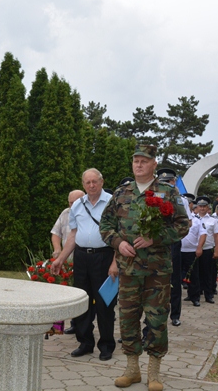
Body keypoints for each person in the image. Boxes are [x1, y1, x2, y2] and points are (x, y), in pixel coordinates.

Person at [99, 145, 189, 391]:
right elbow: (105, 224)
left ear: (153, 164)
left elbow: (183, 225)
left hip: (156, 270)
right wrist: (118, 243)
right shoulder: (121, 193)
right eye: (135, 161)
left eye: (143, 161)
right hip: (128, 269)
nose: (138, 165)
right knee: (128, 317)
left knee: (157, 318)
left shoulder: (167, 192)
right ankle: (132, 369)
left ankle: (154, 372)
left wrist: (155, 238)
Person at [51, 168, 118, 361]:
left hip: (105, 258)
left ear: (102, 181)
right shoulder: (78, 205)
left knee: (106, 303)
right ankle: (85, 342)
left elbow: (121, 235)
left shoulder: (113, 203)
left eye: (94, 181)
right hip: (81, 258)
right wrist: (61, 258)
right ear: (83, 185)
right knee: (82, 301)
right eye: (87, 182)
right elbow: (73, 235)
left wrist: (116, 263)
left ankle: (106, 345)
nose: (91, 185)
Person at [157, 169, 191, 328]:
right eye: (161, 182)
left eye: (168, 182)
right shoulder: (150, 196)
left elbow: (187, 223)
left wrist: (170, 234)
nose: (164, 185)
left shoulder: (180, 199)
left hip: (172, 242)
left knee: (174, 279)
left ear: (173, 182)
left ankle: (175, 314)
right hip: (154, 242)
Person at [50, 189, 85, 335]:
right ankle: (69, 324)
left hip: (82, 258)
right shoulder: (65, 213)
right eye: (69, 202)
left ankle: (81, 324)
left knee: (80, 293)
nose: (71, 206)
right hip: (65, 259)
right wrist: (57, 249)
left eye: (74, 202)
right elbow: (55, 233)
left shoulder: (87, 213)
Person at [195, 196, 218, 304]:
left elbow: (217, 235)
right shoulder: (193, 219)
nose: (202, 208)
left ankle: (208, 295)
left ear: (207, 208)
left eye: (204, 206)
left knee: (207, 274)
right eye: (200, 206)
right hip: (194, 249)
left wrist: (217, 250)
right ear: (197, 207)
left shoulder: (213, 220)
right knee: (195, 274)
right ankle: (194, 295)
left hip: (207, 249)